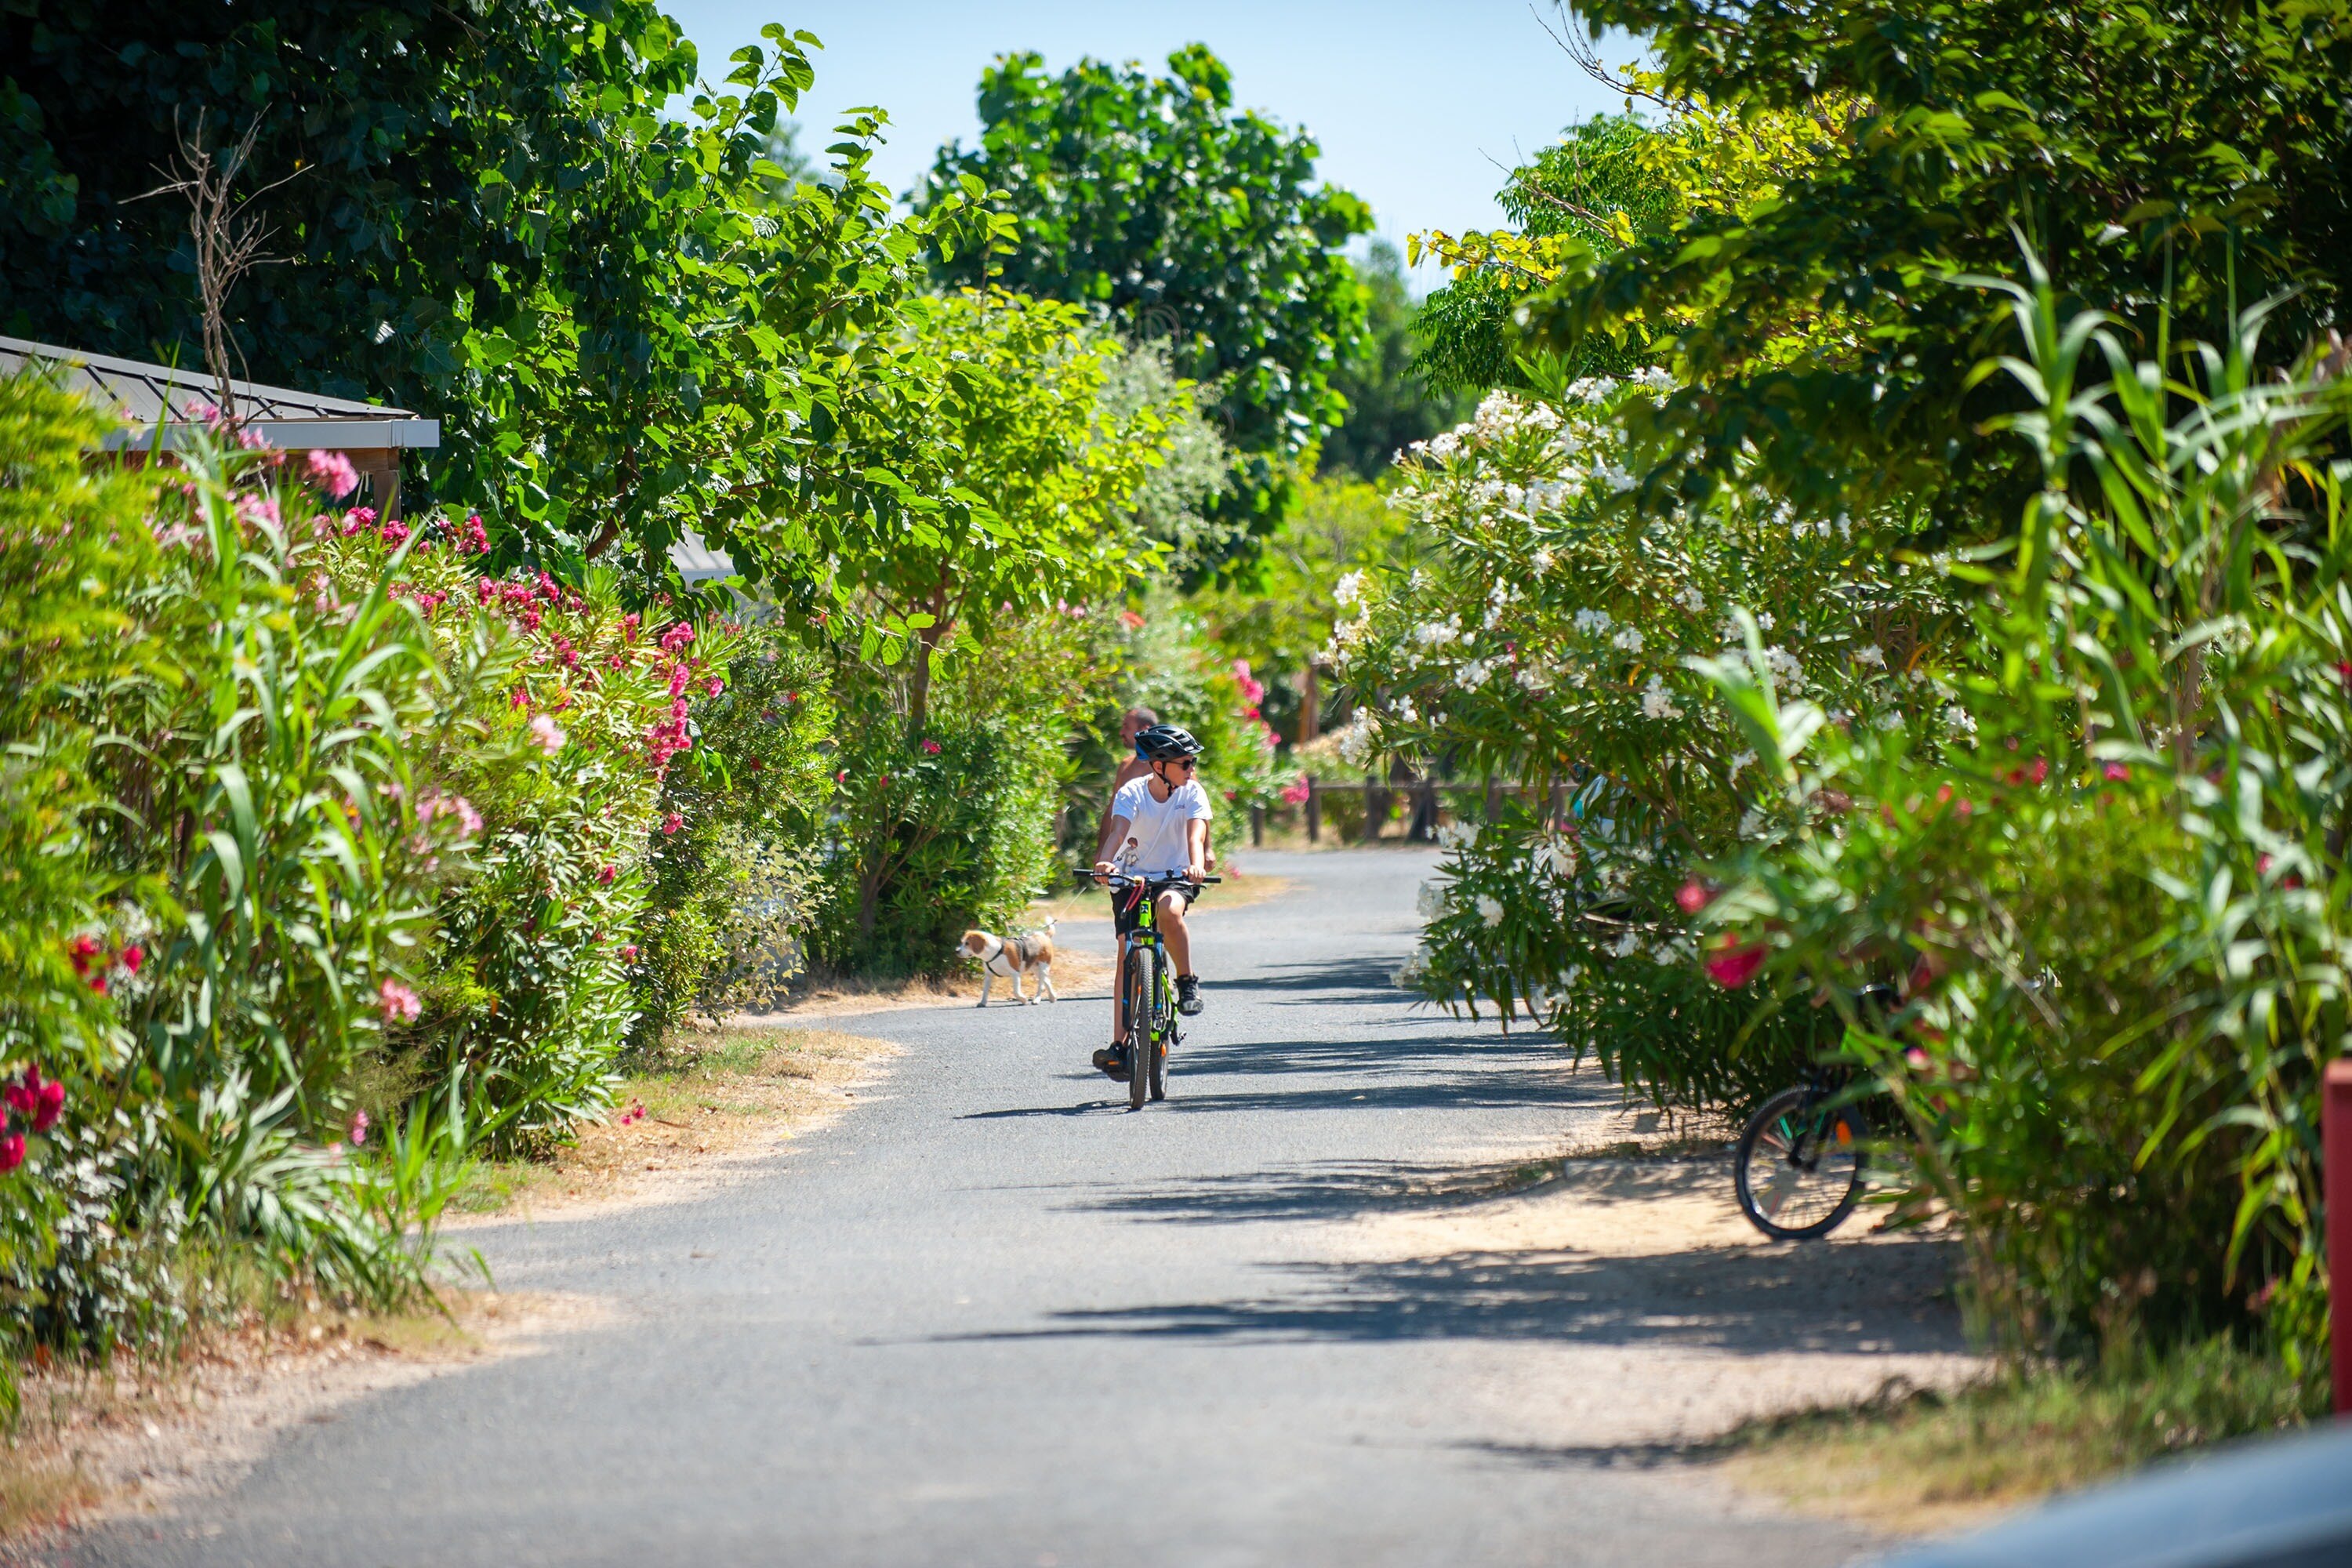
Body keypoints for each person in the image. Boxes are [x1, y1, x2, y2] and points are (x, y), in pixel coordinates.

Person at [1091, 723, 1210, 1079]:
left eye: (1191, 762)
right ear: (1159, 766)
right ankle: (1121, 1046)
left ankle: (1186, 981)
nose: (1192, 769)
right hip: (1132, 878)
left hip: (1176, 875)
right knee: (1127, 953)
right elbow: (1118, 832)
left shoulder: (1192, 793)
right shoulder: (1132, 792)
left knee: (1169, 910)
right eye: (1185, 763)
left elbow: (1196, 835)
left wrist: (1197, 865)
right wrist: (1106, 861)